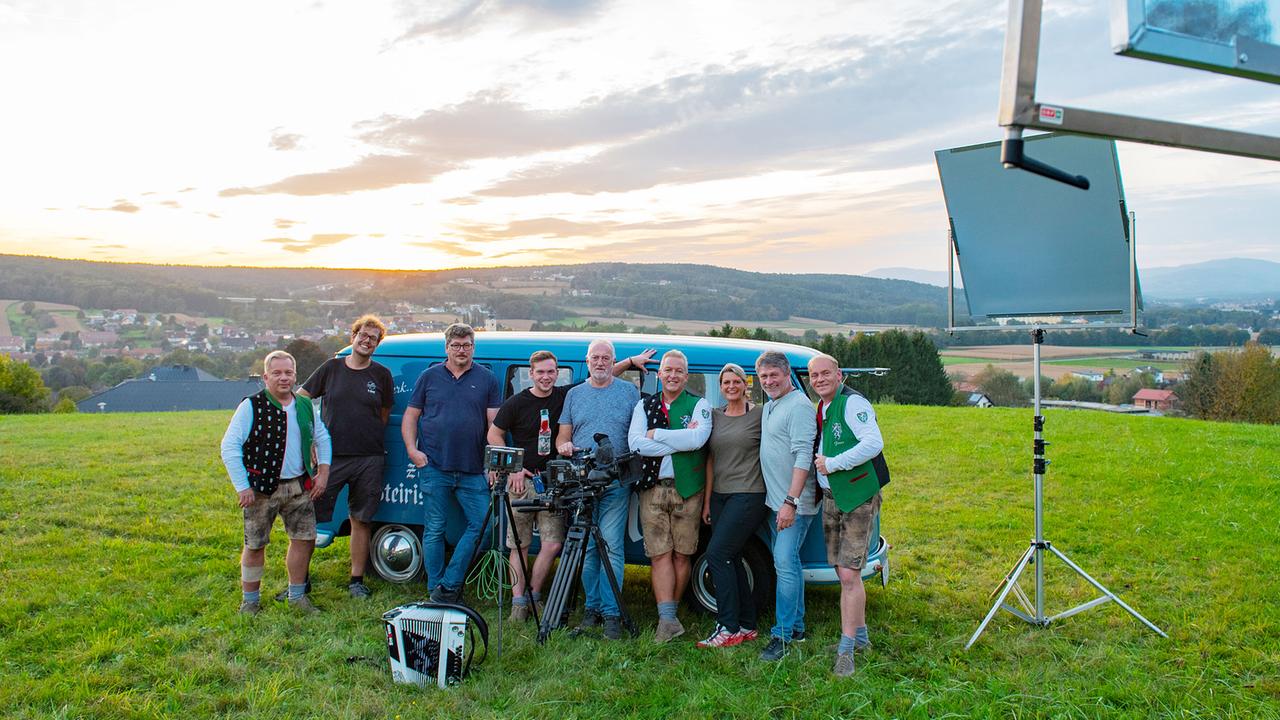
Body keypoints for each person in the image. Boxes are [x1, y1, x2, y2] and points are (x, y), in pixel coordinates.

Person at [487, 348, 654, 623]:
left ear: (557, 373)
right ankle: (525, 604)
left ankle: (560, 601)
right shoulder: (524, 401)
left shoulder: (568, 393)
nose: (545, 377)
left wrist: (631, 362)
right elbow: (498, 433)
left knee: (570, 544)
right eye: (540, 372)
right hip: (541, 481)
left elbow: (603, 377)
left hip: (581, 483)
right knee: (525, 545)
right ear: (530, 374)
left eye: (551, 372)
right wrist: (509, 466)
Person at [220, 350, 332, 615]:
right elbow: (230, 447)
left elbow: (322, 437)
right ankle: (250, 601)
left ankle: (297, 596)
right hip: (260, 488)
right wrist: (243, 487)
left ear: (295, 375)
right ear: (265, 376)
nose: (284, 378)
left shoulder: (305, 405)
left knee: (305, 539)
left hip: (298, 485)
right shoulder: (251, 406)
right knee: (255, 544)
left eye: (289, 373)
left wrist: (323, 472)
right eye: (277, 373)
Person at [401, 323, 501, 604]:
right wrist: (412, 450)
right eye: (456, 345)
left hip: (472, 469)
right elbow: (411, 416)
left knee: (483, 525)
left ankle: (449, 584)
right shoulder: (429, 376)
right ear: (446, 348)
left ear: (473, 347)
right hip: (434, 465)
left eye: (466, 345)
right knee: (434, 528)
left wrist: (492, 463)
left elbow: (494, 424)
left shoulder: (487, 379)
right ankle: (436, 588)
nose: (461, 350)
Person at [296, 315, 394, 600]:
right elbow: (302, 399)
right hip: (331, 458)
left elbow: (384, 413)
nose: (367, 341)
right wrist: (311, 439)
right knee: (311, 519)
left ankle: (356, 580)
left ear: (377, 344)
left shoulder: (382, 375)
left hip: (370, 458)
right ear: (353, 336)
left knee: (361, 519)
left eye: (373, 338)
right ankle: (300, 580)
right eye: (363, 335)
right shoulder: (331, 368)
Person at [555, 338, 641, 640]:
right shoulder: (574, 395)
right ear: (587, 361)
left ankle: (612, 614)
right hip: (582, 482)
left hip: (617, 480)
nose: (601, 362)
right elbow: (561, 437)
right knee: (589, 548)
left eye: (607, 358)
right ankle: (591, 610)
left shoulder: (629, 392)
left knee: (612, 546)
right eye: (596, 358)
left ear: (613, 361)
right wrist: (564, 446)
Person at [809, 353, 888, 677]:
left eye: (825, 374)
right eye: (814, 376)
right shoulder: (824, 406)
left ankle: (846, 650)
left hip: (855, 497)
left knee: (849, 575)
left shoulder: (854, 403)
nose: (819, 380)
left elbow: (873, 443)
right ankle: (861, 637)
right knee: (844, 571)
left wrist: (833, 463)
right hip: (834, 495)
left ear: (838, 374)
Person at [627, 349, 712, 643]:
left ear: (686, 376)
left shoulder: (699, 405)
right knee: (659, 553)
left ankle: (670, 614)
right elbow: (636, 444)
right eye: (668, 370)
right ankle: (667, 620)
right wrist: (680, 440)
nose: (673, 375)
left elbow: (698, 439)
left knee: (682, 553)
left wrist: (657, 435)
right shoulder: (644, 405)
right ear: (660, 374)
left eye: (679, 371)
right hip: (652, 488)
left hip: (688, 488)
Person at [695, 363, 768, 648]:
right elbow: (711, 460)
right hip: (721, 496)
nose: (730, 387)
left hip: (749, 494)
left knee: (717, 554)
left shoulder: (760, 415)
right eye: (725, 382)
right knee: (733, 556)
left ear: (745, 384)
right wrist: (707, 501)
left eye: (735, 381)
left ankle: (728, 627)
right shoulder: (715, 416)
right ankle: (747, 625)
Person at [754, 350, 819, 661]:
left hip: (795, 504)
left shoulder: (800, 407)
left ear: (787, 374)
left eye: (774, 376)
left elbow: (803, 456)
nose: (769, 381)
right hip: (776, 501)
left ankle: (781, 636)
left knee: (783, 565)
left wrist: (790, 502)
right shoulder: (772, 405)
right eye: (763, 377)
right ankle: (797, 627)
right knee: (790, 563)